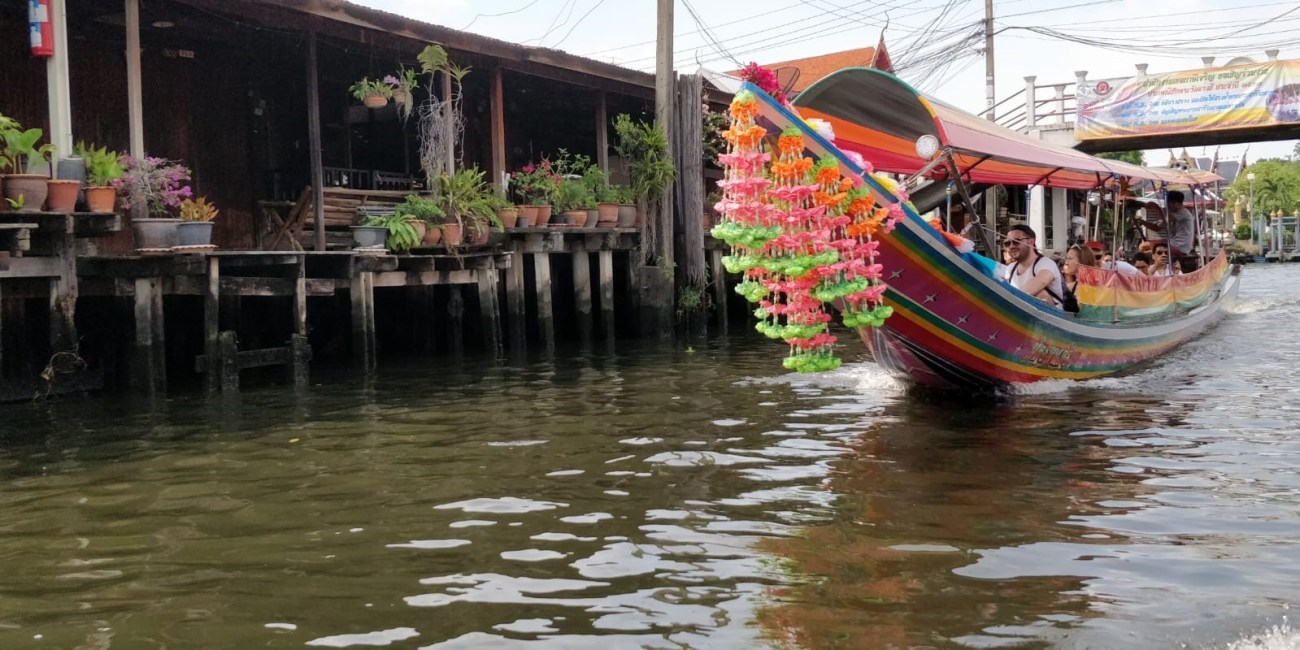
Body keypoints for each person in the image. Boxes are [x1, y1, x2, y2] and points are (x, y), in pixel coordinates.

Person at [1002, 224, 1065, 309]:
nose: (1011, 246)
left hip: (1051, 318)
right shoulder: (1010, 269)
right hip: (1018, 317)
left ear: (1031, 242)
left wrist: (1009, 303)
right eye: (1007, 243)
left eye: (1016, 241)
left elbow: (1042, 280)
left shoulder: (1045, 263)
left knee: (1041, 294)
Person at [1165, 190, 1198, 272]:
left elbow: (1166, 218)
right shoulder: (1177, 213)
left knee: (1156, 253)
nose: (1167, 206)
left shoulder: (1183, 212)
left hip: (1180, 246)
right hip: (1176, 244)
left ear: (1176, 203)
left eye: (1168, 203)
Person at [1060, 244, 1096, 313]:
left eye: (1070, 259)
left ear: (1082, 261)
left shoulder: (1094, 286)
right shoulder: (1071, 287)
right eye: (1066, 258)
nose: (1066, 262)